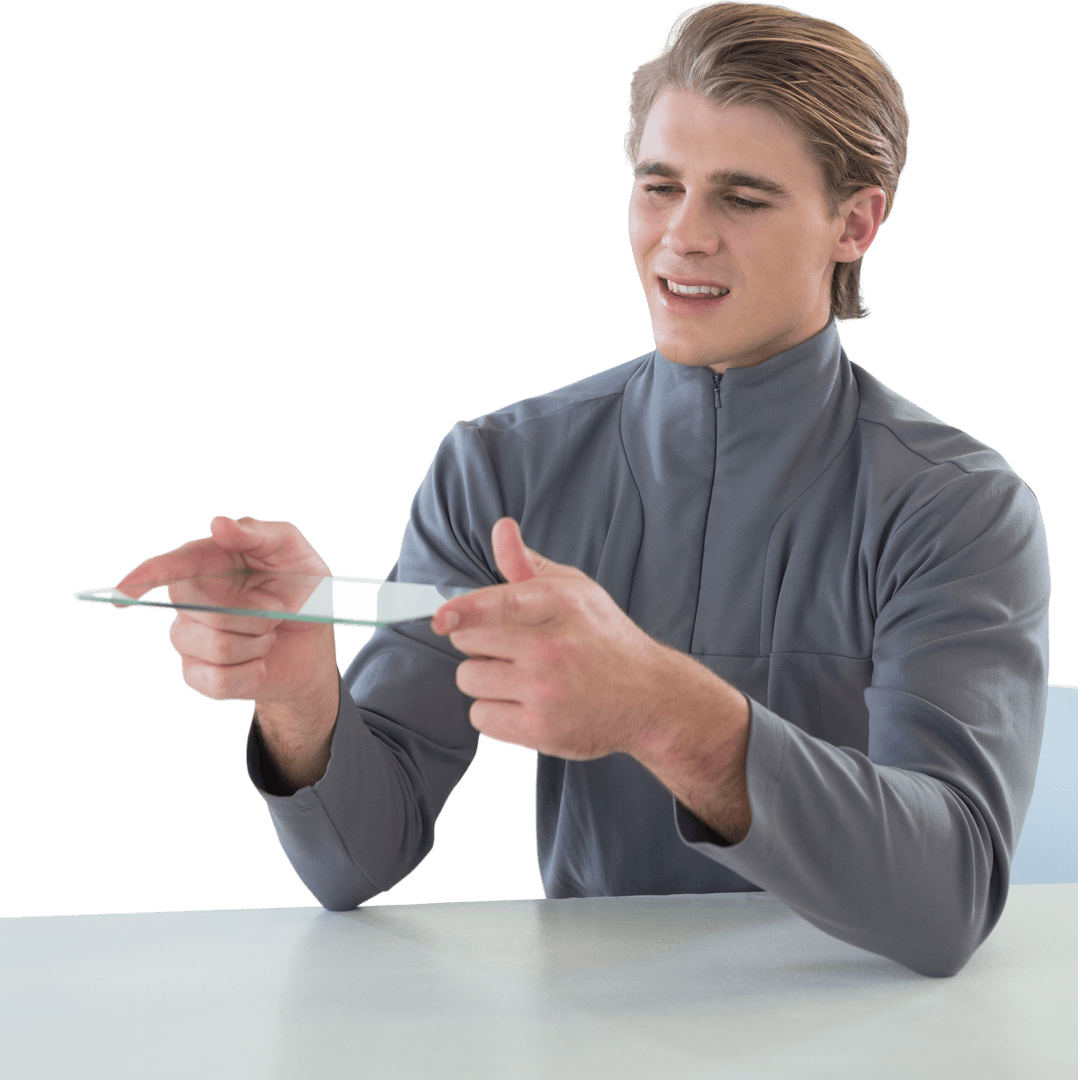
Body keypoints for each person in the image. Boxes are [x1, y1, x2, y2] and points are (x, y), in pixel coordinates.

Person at [118, 1, 1051, 978]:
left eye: (741, 197)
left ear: (854, 221)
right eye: (659, 186)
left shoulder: (958, 506)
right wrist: (303, 695)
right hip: (584, 1037)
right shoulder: (497, 467)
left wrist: (666, 713)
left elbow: (950, 895)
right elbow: (357, 859)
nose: (681, 238)